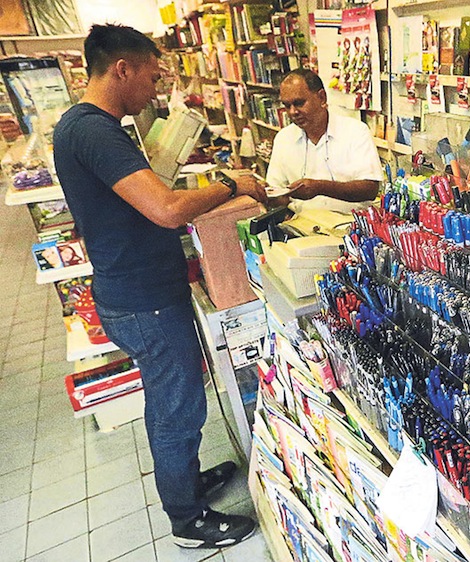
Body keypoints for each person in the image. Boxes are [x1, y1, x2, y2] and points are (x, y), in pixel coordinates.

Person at [53, 24, 268, 549]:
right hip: (142, 301)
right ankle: (187, 519)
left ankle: (187, 482)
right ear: (121, 69)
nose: (155, 88)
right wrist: (229, 185)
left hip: (137, 289)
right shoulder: (94, 131)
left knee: (174, 398)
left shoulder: (88, 126)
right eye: (151, 76)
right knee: (177, 406)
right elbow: (167, 210)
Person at [266, 69, 383, 214]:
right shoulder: (284, 139)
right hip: (302, 226)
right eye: (287, 105)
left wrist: (320, 188)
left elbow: (370, 189)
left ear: (322, 98)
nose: (292, 112)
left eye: (299, 103)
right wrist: (273, 195)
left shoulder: (355, 131)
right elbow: (276, 190)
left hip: (351, 226)